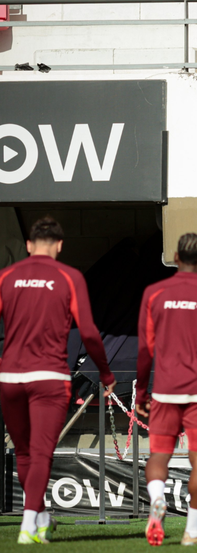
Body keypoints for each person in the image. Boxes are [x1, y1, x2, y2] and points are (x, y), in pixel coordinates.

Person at [0, 217, 115, 545]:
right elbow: (90, 332)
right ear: (61, 245)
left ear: (28, 246)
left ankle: (40, 517)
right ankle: (27, 526)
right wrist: (105, 374)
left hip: (10, 377)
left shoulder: (6, 276)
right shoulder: (69, 276)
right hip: (49, 377)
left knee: (23, 453)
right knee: (40, 453)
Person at [135, 233, 197, 547]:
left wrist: (141, 391)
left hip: (165, 390)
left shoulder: (154, 293)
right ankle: (192, 532)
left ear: (176, 258)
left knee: (158, 455)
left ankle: (157, 499)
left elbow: (145, 349)